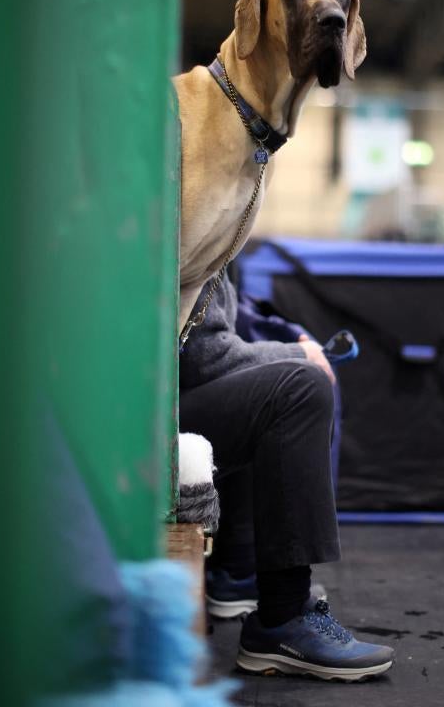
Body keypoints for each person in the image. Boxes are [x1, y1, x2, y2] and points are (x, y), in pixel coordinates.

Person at [179, 271, 394, 681]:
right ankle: (283, 615)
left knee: (266, 392)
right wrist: (299, 354)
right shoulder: (191, 217)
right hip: (142, 414)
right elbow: (202, 358)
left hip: (152, 400)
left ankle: (239, 572)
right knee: (299, 388)